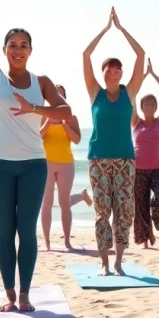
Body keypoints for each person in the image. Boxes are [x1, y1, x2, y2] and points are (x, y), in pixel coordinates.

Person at [0, 0, 71, 312]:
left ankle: (25, 295)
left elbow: (66, 113)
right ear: (4, 49)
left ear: (30, 51)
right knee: (4, 231)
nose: (17, 49)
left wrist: (35, 107)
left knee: (26, 231)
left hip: (32, 166)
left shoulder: (41, 81)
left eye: (23, 45)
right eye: (12, 45)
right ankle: (9, 295)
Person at [83, 6, 145, 276]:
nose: (117, 71)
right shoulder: (95, 92)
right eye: (112, 68)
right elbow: (86, 54)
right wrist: (105, 30)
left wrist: (121, 30)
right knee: (102, 212)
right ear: (104, 71)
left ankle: (118, 262)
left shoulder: (128, 93)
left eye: (120, 69)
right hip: (98, 160)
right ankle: (104, 263)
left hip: (124, 160)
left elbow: (141, 55)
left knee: (125, 212)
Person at [40, 84, 92, 250]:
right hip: (47, 163)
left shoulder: (71, 118)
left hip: (66, 163)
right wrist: (49, 121)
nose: (57, 100)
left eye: (60, 97)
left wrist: (64, 124)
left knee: (64, 203)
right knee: (46, 203)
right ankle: (47, 243)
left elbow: (76, 139)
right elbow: (38, 136)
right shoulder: (43, 116)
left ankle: (67, 242)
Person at [132, 59, 159, 248]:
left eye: (152, 104)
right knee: (139, 207)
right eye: (145, 104)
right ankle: (145, 238)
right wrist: (142, 77)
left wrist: (153, 75)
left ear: (156, 107)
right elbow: (131, 93)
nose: (148, 106)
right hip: (138, 170)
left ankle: (151, 221)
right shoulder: (135, 122)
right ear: (141, 108)